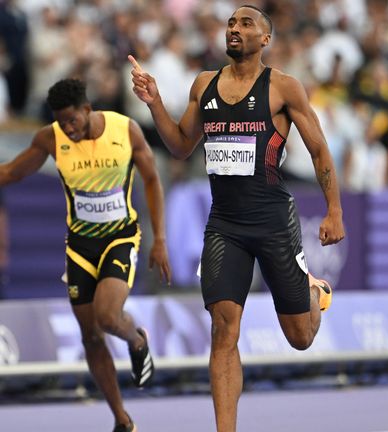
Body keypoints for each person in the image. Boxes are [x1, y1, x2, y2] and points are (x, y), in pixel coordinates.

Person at [128, 5, 345, 432]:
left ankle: (312, 289)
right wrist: (154, 103)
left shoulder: (283, 87)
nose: (235, 29)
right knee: (224, 330)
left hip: (273, 221)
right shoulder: (204, 85)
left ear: (265, 39)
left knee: (300, 337)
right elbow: (180, 146)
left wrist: (334, 209)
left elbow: (319, 149)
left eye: (246, 24)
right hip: (225, 225)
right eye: (231, 23)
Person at [0, 78, 170, 432]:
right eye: (61, 122)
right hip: (79, 247)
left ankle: (137, 340)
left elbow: (152, 180)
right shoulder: (51, 137)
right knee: (90, 337)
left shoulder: (126, 130)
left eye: (73, 121)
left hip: (120, 238)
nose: (68, 128)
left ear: (88, 110)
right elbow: (13, 172)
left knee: (108, 318)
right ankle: (122, 419)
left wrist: (160, 240)